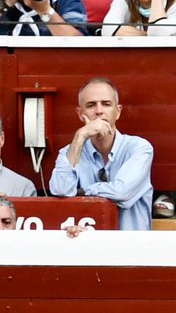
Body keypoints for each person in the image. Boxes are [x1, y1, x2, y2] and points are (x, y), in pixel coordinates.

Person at [49, 78, 154, 232]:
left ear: (117, 112)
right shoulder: (70, 152)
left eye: (106, 104)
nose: (99, 111)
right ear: (80, 114)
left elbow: (121, 192)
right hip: (87, 250)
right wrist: (80, 136)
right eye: (91, 105)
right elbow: (60, 189)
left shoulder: (139, 148)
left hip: (131, 251)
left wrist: (84, 192)